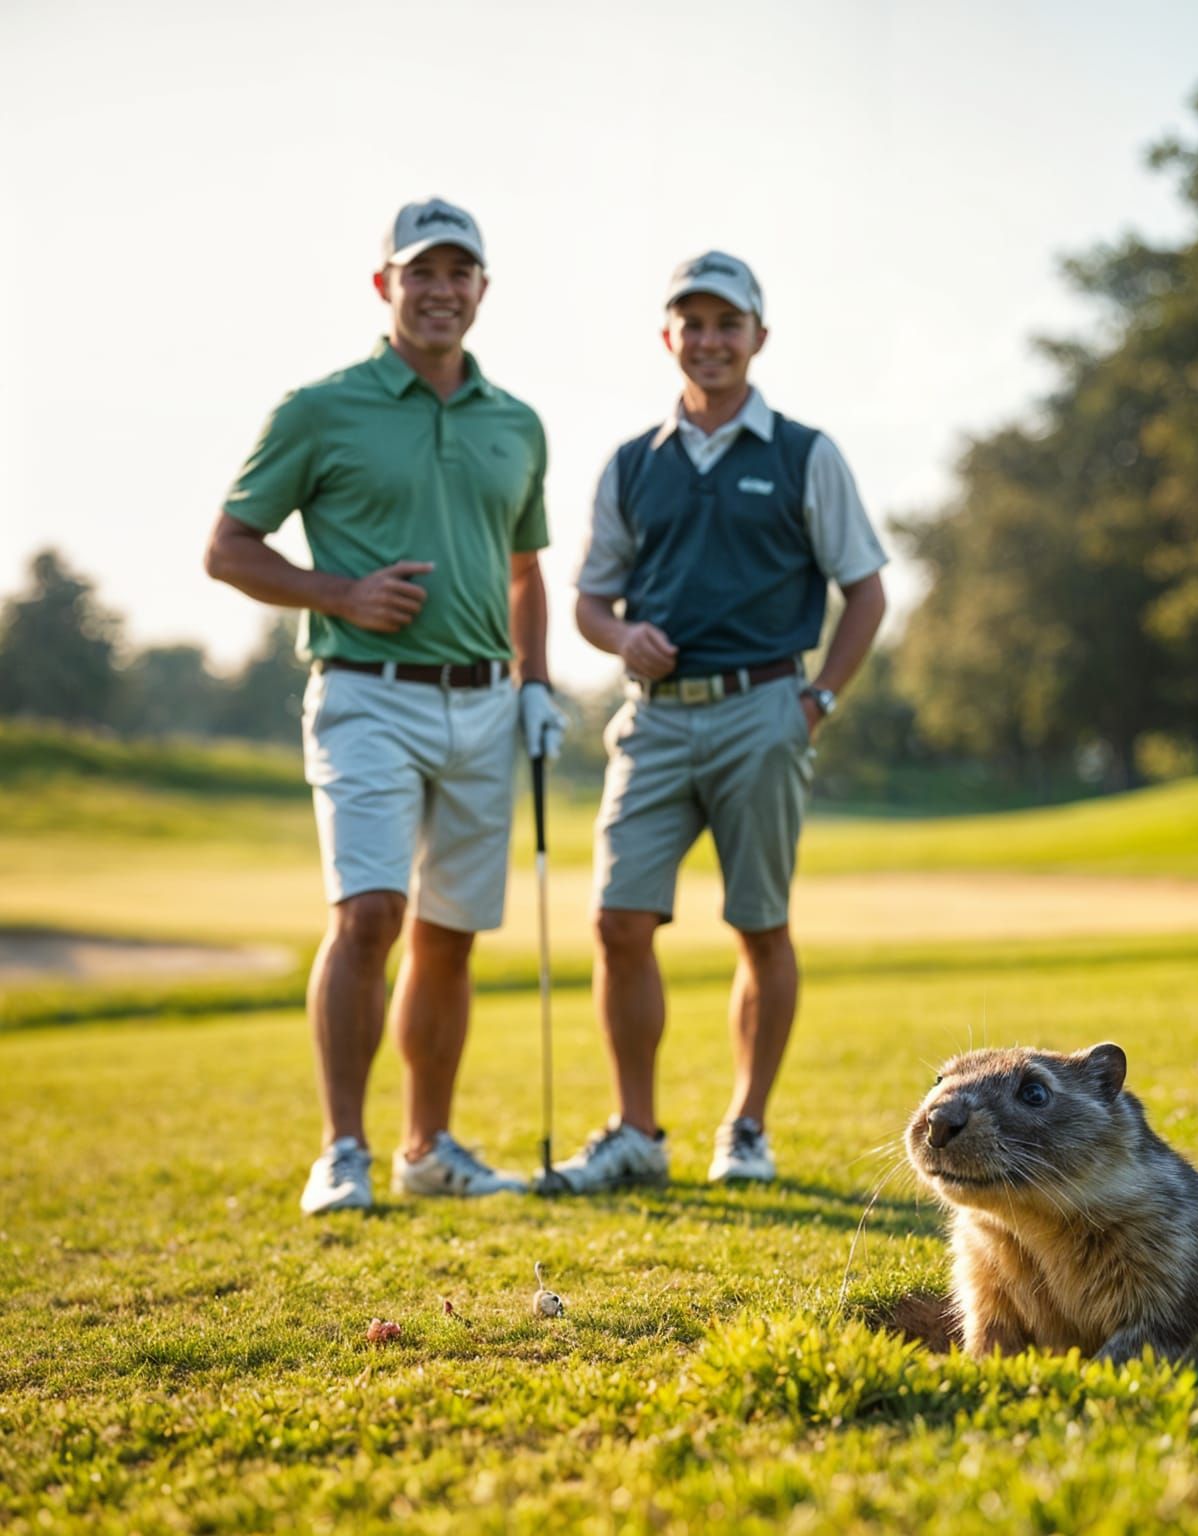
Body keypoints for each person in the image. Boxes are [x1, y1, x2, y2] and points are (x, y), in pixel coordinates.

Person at [205, 197, 565, 1214]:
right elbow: (227, 549)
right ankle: (343, 1151)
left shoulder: (517, 423)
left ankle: (427, 1145)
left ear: (482, 291)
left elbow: (525, 570)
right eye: (421, 272)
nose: (441, 290)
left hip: (485, 707)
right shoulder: (319, 408)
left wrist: (535, 685)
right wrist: (340, 594)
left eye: (460, 272)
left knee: (448, 933)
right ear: (385, 287)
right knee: (369, 916)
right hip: (365, 694)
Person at [544, 250, 887, 1193]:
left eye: (726, 324)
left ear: (758, 338)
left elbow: (865, 593)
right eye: (691, 324)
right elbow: (589, 603)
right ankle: (636, 1134)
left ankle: (745, 1127)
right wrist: (620, 637)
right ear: (669, 338)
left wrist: (817, 700)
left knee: (760, 926)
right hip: (653, 719)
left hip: (765, 709)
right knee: (618, 920)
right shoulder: (631, 464)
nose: (709, 341)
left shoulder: (804, 453)